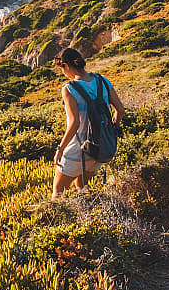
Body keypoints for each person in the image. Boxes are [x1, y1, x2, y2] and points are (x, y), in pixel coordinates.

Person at [52, 47, 125, 199]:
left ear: (66, 65)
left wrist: (60, 148)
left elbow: (74, 123)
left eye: (62, 69)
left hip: (76, 151)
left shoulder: (69, 88)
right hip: (98, 148)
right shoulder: (102, 81)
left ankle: (58, 221)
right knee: (83, 188)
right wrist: (112, 129)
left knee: (58, 193)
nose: (63, 74)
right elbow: (120, 109)